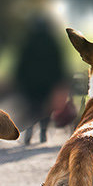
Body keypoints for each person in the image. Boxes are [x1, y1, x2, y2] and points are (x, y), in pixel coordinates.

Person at [12, 13, 68, 145]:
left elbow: (21, 63)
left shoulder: (28, 42)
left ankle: (29, 134)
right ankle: (43, 132)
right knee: (46, 108)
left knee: (32, 108)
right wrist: (60, 80)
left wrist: (18, 79)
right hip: (48, 82)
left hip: (30, 83)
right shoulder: (52, 42)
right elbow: (58, 63)